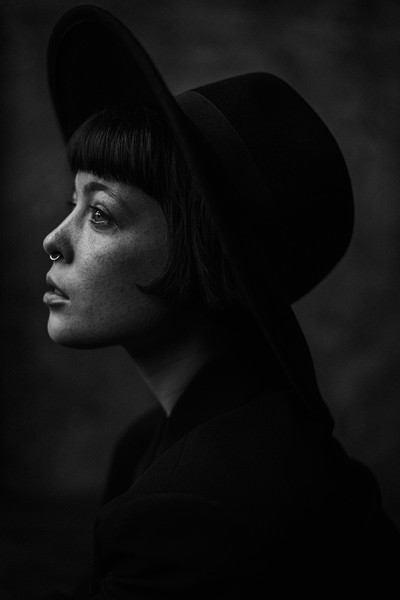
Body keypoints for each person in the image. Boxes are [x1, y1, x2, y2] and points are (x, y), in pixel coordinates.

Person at [40, 5, 399, 599]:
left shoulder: (195, 507)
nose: (53, 239)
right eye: (72, 204)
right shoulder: (151, 445)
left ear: (202, 254)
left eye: (100, 214)